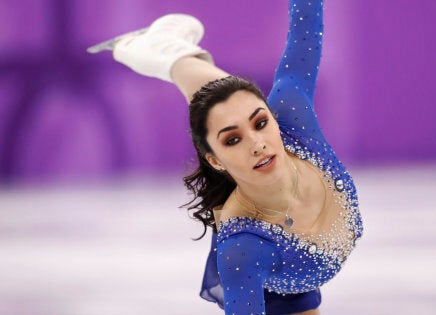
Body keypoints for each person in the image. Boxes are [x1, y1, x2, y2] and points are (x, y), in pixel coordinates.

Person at [102, 0, 362, 314]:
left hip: (284, 246)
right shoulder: (245, 249)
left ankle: (161, 50)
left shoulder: (291, 115)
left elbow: (305, 28)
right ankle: (165, 52)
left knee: (220, 100)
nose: (257, 144)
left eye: (262, 123)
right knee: (218, 107)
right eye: (234, 140)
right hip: (275, 268)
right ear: (213, 161)